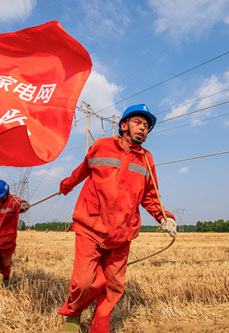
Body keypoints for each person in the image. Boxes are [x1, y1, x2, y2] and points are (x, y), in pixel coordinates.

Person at [58, 104, 177, 332]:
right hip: (91, 225)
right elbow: (82, 171)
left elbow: (151, 195)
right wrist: (67, 185)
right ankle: (73, 314)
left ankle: (99, 326)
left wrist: (164, 217)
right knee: (85, 282)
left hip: (123, 232)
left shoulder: (147, 160)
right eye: (138, 123)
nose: (143, 128)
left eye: (146, 126)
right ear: (124, 125)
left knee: (113, 285)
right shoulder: (101, 146)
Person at [0, 179, 29, 290]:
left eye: (0, 196)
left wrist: (24, 205)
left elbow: (21, 203)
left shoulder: (13, 201)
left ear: (7, 192)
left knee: (5, 265)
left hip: (7, 242)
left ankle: (6, 276)